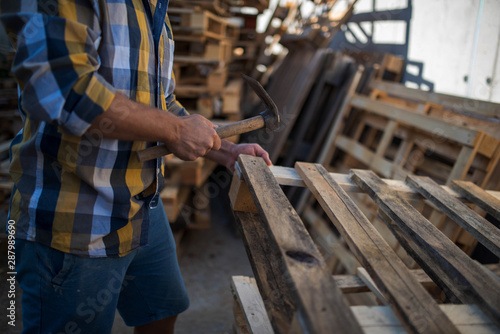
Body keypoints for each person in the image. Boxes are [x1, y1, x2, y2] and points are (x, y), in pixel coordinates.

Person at [1, 0, 271, 333]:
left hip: (142, 207)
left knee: (161, 310)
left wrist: (226, 150)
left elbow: (163, 102)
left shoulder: (156, 10)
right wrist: (173, 130)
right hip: (74, 219)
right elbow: (64, 90)